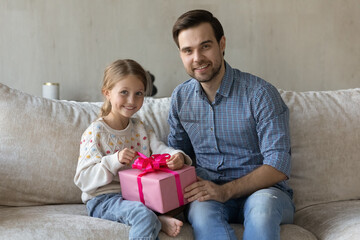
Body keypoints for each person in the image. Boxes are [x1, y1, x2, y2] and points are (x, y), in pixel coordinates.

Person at [168, 10, 295, 240]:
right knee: (202, 216)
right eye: (188, 50)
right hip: (207, 192)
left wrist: (225, 191)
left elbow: (278, 165)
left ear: (221, 43)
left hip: (264, 193)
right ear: (181, 54)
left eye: (205, 46)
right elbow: (178, 154)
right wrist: (175, 160)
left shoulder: (260, 94)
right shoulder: (180, 98)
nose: (197, 58)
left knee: (262, 213)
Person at [74, 59, 192, 239]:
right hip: (105, 199)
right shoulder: (95, 132)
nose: (131, 100)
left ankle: (158, 219)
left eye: (138, 93)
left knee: (185, 202)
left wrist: (176, 156)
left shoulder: (140, 127)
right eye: (124, 92)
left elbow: (159, 148)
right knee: (142, 215)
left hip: (138, 195)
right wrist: (113, 161)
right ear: (107, 93)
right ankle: (156, 219)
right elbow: (83, 179)